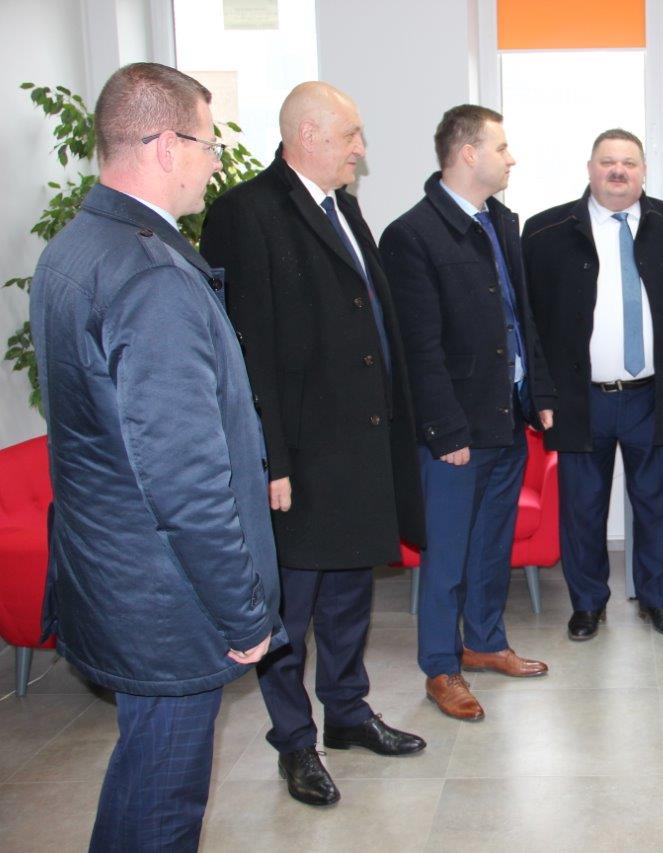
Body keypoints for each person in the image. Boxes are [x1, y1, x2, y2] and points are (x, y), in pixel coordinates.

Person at [29, 62, 283, 851]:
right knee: (162, 806)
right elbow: (184, 478)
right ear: (167, 145)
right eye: (209, 145)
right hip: (168, 599)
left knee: (143, 777)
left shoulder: (76, 247)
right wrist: (244, 611)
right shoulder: (150, 276)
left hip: (115, 576)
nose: (215, 162)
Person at [200, 81, 426, 805]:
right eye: (351, 134)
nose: (361, 148)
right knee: (290, 612)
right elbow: (245, 348)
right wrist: (271, 458)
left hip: (360, 445)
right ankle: (295, 742)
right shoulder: (245, 213)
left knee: (349, 596)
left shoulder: (344, 207)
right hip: (298, 453)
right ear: (307, 134)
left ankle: (348, 712)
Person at [380, 105, 556, 722]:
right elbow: (418, 347)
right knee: (448, 554)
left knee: (490, 547)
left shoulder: (500, 222)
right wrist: (443, 428)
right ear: (467, 153)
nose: (512, 158)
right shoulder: (412, 234)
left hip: (505, 417)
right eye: (502, 148)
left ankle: (484, 642)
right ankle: (440, 666)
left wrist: (541, 395)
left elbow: (522, 318)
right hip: (455, 431)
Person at [523, 129, 663, 641]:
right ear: (590, 169)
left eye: (629, 163)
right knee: (582, 508)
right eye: (608, 161)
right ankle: (587, 605)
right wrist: (539, 391)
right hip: (579, 398)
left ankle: (658, 600)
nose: (618, 171)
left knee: (656, 504)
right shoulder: (545, 231)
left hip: (653, 395)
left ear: (643, 171)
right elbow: (530, 323)